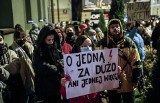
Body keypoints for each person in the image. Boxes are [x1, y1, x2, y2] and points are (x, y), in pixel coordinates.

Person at [98, 19, 142, 103]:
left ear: (121, 28)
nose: (115, 28)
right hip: (110, 81)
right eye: (112, 27)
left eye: (117, 26)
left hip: (127, 80)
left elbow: (136, 61)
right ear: (108, 29)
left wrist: (135, 79)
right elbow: (97, 63)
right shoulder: (102, 43)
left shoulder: (129, 42)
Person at [61, 35, 102, 103]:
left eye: (90, 45)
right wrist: (64, 85)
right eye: (84, 46)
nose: (88, 48)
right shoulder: (71, 65)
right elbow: (65, 94)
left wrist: (115, 74)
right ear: (78, 47)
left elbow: (101, 87)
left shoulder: (96, 64)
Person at [32, 26, 64, 103]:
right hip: (45, 83)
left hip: (56, 81)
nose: (51, 42)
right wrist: (56, 67)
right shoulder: (39, 50)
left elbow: (61, 58)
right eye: (48, 40)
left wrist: (61, 64)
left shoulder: (55, 47)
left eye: (52, 39)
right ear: (43, 39)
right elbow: (40, 65)